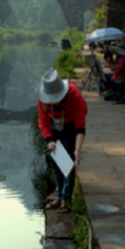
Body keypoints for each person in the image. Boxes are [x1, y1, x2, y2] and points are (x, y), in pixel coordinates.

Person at [37, 68, 88, 213]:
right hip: (53, 123)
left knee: (68, 163)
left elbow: (80, 126)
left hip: (70, 124)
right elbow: (43, 122)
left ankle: (66, 199)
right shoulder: (43, 99)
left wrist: (77, 151)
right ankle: (59, 196)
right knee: (56, 160)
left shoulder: (74, 94)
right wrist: (49, 140)